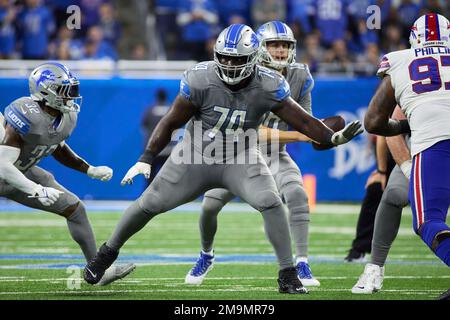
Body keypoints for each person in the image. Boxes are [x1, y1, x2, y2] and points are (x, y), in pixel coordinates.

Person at [83, 24, 363, 294]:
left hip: (241, 157)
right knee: (150, 202)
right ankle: (105, 256)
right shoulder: (200, 78)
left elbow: (304, 121)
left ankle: (288, 273)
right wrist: (146, 158)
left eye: (236, 59)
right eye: (225, 58)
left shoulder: (269, 84)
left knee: (271, 202)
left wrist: (331, 138)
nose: (229, 65)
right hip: (194, 156)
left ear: (253, 59)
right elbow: (170, 121)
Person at [185, 21, 327, 287]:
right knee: (209, 206)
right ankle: (206, 254)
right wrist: (300, 135)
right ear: (258, 48)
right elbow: (254, 131)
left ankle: (302, 262)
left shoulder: (300, 76)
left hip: (274, 155)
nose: (281, 50)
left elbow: (306, 121)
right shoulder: (245, 75)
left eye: (285, 45)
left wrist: (324, 136)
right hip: (237, 154)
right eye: (274, 44)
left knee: (297, 193)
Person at [0, 62, 135, 286]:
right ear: (46, 92)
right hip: (8, 173)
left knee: (75, 209)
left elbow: (57, 146)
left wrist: (89, 169)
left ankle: (98, 270)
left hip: (21, 172)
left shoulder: (63, 116)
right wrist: (35, 189)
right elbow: (3, 165)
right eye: (65, 91)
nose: (71, 96)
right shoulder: (26, 114)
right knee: (45, 182)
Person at [364, 13, 450, 300]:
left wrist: (403, 125)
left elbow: (374, 122)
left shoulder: (400, 60)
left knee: (428, 221)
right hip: (429, 146)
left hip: (435, 144)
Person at [352, 106, 410, 294]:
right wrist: (386, 170)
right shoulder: (405, 83)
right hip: (417, 151)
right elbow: (387, 129)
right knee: (392, 194)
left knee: (427, 220)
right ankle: (373, 265)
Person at [344, 135, 395, 262]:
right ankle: (360, 248)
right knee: (376, 189)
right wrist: (381, 171)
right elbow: (380, 128)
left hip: (422, 145)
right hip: (393, 143)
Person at [141, 88, 175, 186]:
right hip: (168, 150)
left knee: (150, 179)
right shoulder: (171, 109)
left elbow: (144, 127)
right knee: (168, 180)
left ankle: (149, 200)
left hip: (153, 151)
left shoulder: (149, 110)